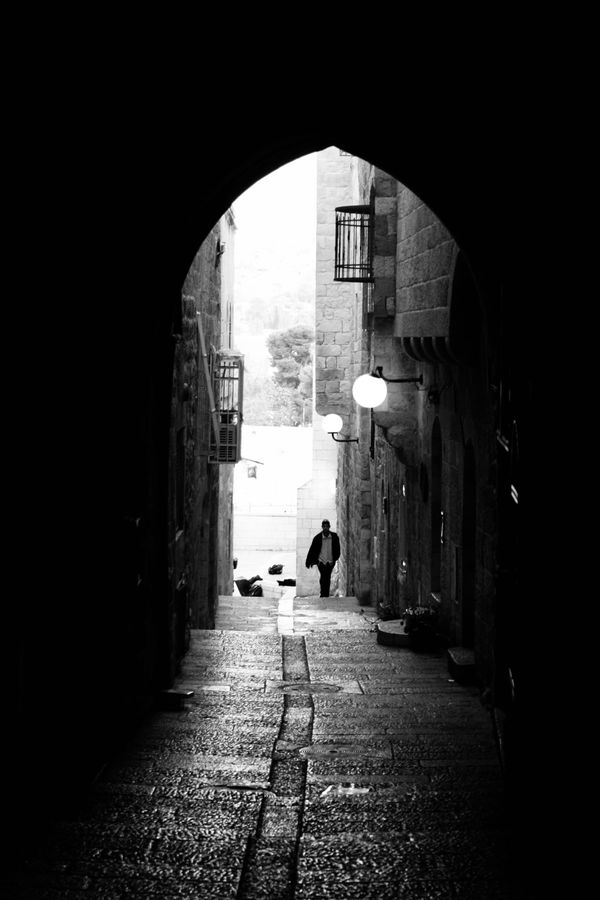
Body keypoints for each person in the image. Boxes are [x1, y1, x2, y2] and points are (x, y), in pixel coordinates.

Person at [305, 519, 340, 597]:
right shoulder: (317, 538)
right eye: (324, 526)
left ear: (329, 527)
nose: (325, 528)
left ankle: (325, 594)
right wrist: (308, 562)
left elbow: (337, 549)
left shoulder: (334, 537)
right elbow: (312, 550)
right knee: (323, 577)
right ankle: (323, 594)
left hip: (330, 562)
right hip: (321, 562)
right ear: (322, 527)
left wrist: (335, 559)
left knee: (327, 577)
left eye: (327, 526)